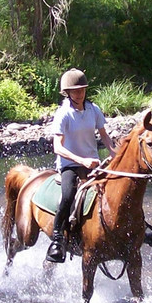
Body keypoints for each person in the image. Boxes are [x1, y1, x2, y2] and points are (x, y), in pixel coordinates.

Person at [46, 68, 116, 263]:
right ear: (67, 92)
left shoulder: (94, 110)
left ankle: (137, 226)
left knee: (118, 187)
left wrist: (114, 152)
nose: (80, 93)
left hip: (93, 162)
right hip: (69, 164)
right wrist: (81, 160)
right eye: (76, 91)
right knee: (68, 196)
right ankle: (58, 240)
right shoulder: (63, 114)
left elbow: (104, 135)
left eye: (83, 89)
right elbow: (57, 147)